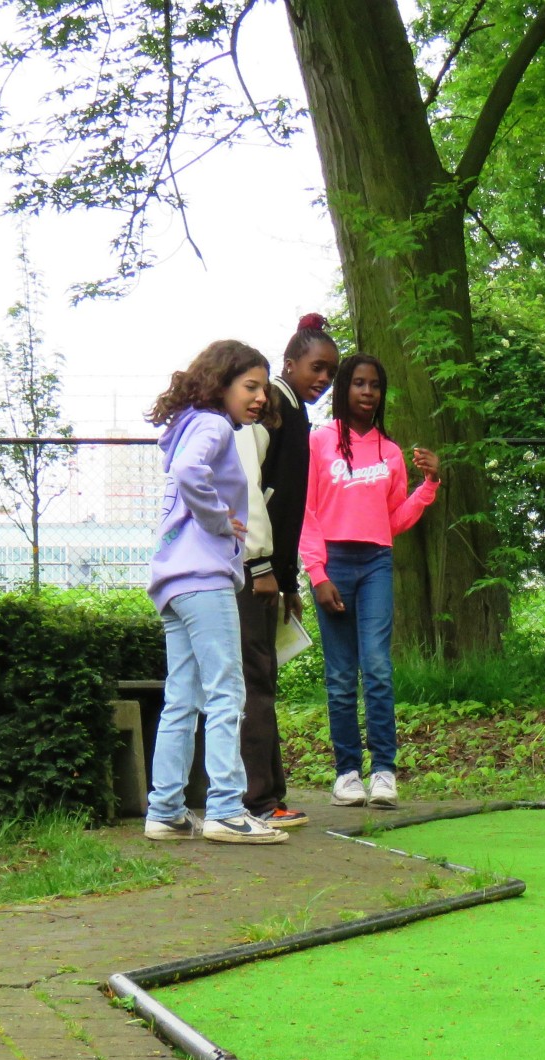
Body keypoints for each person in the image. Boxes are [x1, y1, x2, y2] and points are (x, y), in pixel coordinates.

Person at [143, 340, 288, 846]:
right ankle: (227, 808)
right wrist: (218, 523)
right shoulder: (212, 425)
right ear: (220, 384)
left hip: (172, 580)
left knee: (182, 697)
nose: (259, 398)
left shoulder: (184, 426)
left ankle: (165, 810)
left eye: (264, 389)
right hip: (204, 577)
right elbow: (191, 475)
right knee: (228, 691)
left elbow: (182, 472)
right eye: (250, 386)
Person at [298, 354, 439, 810]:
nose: (366, 391)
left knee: (377, 667)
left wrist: (428, 484)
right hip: (333, 563)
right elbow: (307, 514)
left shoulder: (390, 452)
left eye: (374, 385)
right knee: (341, 675)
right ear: (343, 389)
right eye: (357, 383)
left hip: (376, 560)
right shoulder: (319, 442)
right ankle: (347, 774)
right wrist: (317, 574)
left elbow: (392, 519)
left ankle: (384, 771)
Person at [239, 314, 339, 830]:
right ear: (291, 363)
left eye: (331, 373)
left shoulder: (296, 411)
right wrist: (259, 565)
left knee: (264, 678)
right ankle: (256, 801)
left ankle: (270, 797)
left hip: (271, 573)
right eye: (316, 368)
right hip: (249, 571)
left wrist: (289, 580)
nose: (323, 379)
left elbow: (290, 507)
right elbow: (251, 492)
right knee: (255, 680)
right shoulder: (272, 407)